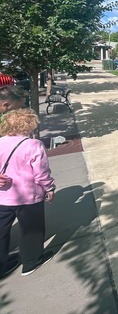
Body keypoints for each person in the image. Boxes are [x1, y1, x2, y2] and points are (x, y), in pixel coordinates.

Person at [0, 109, 55, 278]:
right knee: (31, 229)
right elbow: (41, 173)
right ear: (29, 125)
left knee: (1, 231)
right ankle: (31, 261)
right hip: (28, 196)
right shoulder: (33, 145)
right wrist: (50, 188)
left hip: (3, 197)